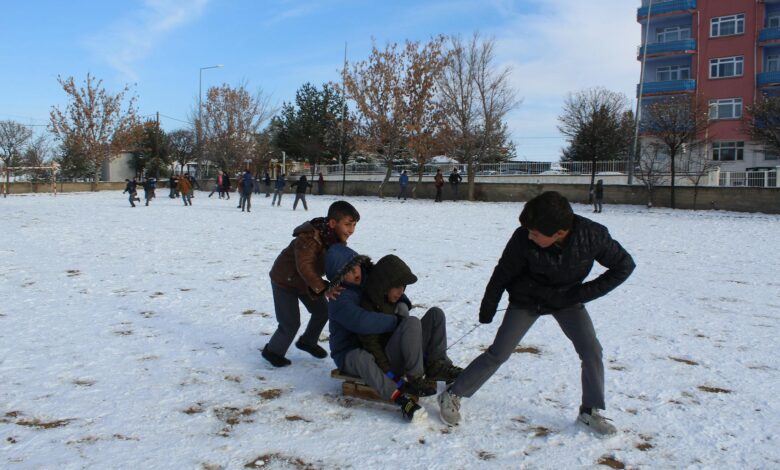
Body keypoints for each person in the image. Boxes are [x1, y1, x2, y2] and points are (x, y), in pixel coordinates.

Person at [437, 191, 635, 434]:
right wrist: (489, 304)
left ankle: (590, 411)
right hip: (528, 299)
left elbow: (624, 265)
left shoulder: (592, 235)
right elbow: (503, 272)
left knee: (591, 350)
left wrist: (577, 295)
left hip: (566, 299)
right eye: (528, 230)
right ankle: (453, 394)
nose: (529, 236)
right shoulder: (523, 238)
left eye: (536, 233)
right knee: (499, 352)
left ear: (560, 233)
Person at [325, 246, 433, 422]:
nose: (355, 274)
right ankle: (400, 399)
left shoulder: (368, 278)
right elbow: (361, 322)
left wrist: (402, 306)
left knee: (418, 322)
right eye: (347, 273)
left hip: (376, 344)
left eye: (355, 267)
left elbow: (390, 286)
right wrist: (396, 321)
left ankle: (425, 372)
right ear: (338, 279)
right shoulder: (339, 298)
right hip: (349, 352)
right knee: (362, 358)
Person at [262, 200, 360, 368]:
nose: (351, 230)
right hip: (285, 281)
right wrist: (325, 288)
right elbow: (304, 266)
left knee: (323, 311)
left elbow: (335, 263)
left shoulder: (335, 239)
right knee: (290, 323)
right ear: (332, 223)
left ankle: (308, 341)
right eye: (348, 224)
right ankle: (273, 351)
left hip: (306, 281)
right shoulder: (309, 238)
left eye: (354, 225)